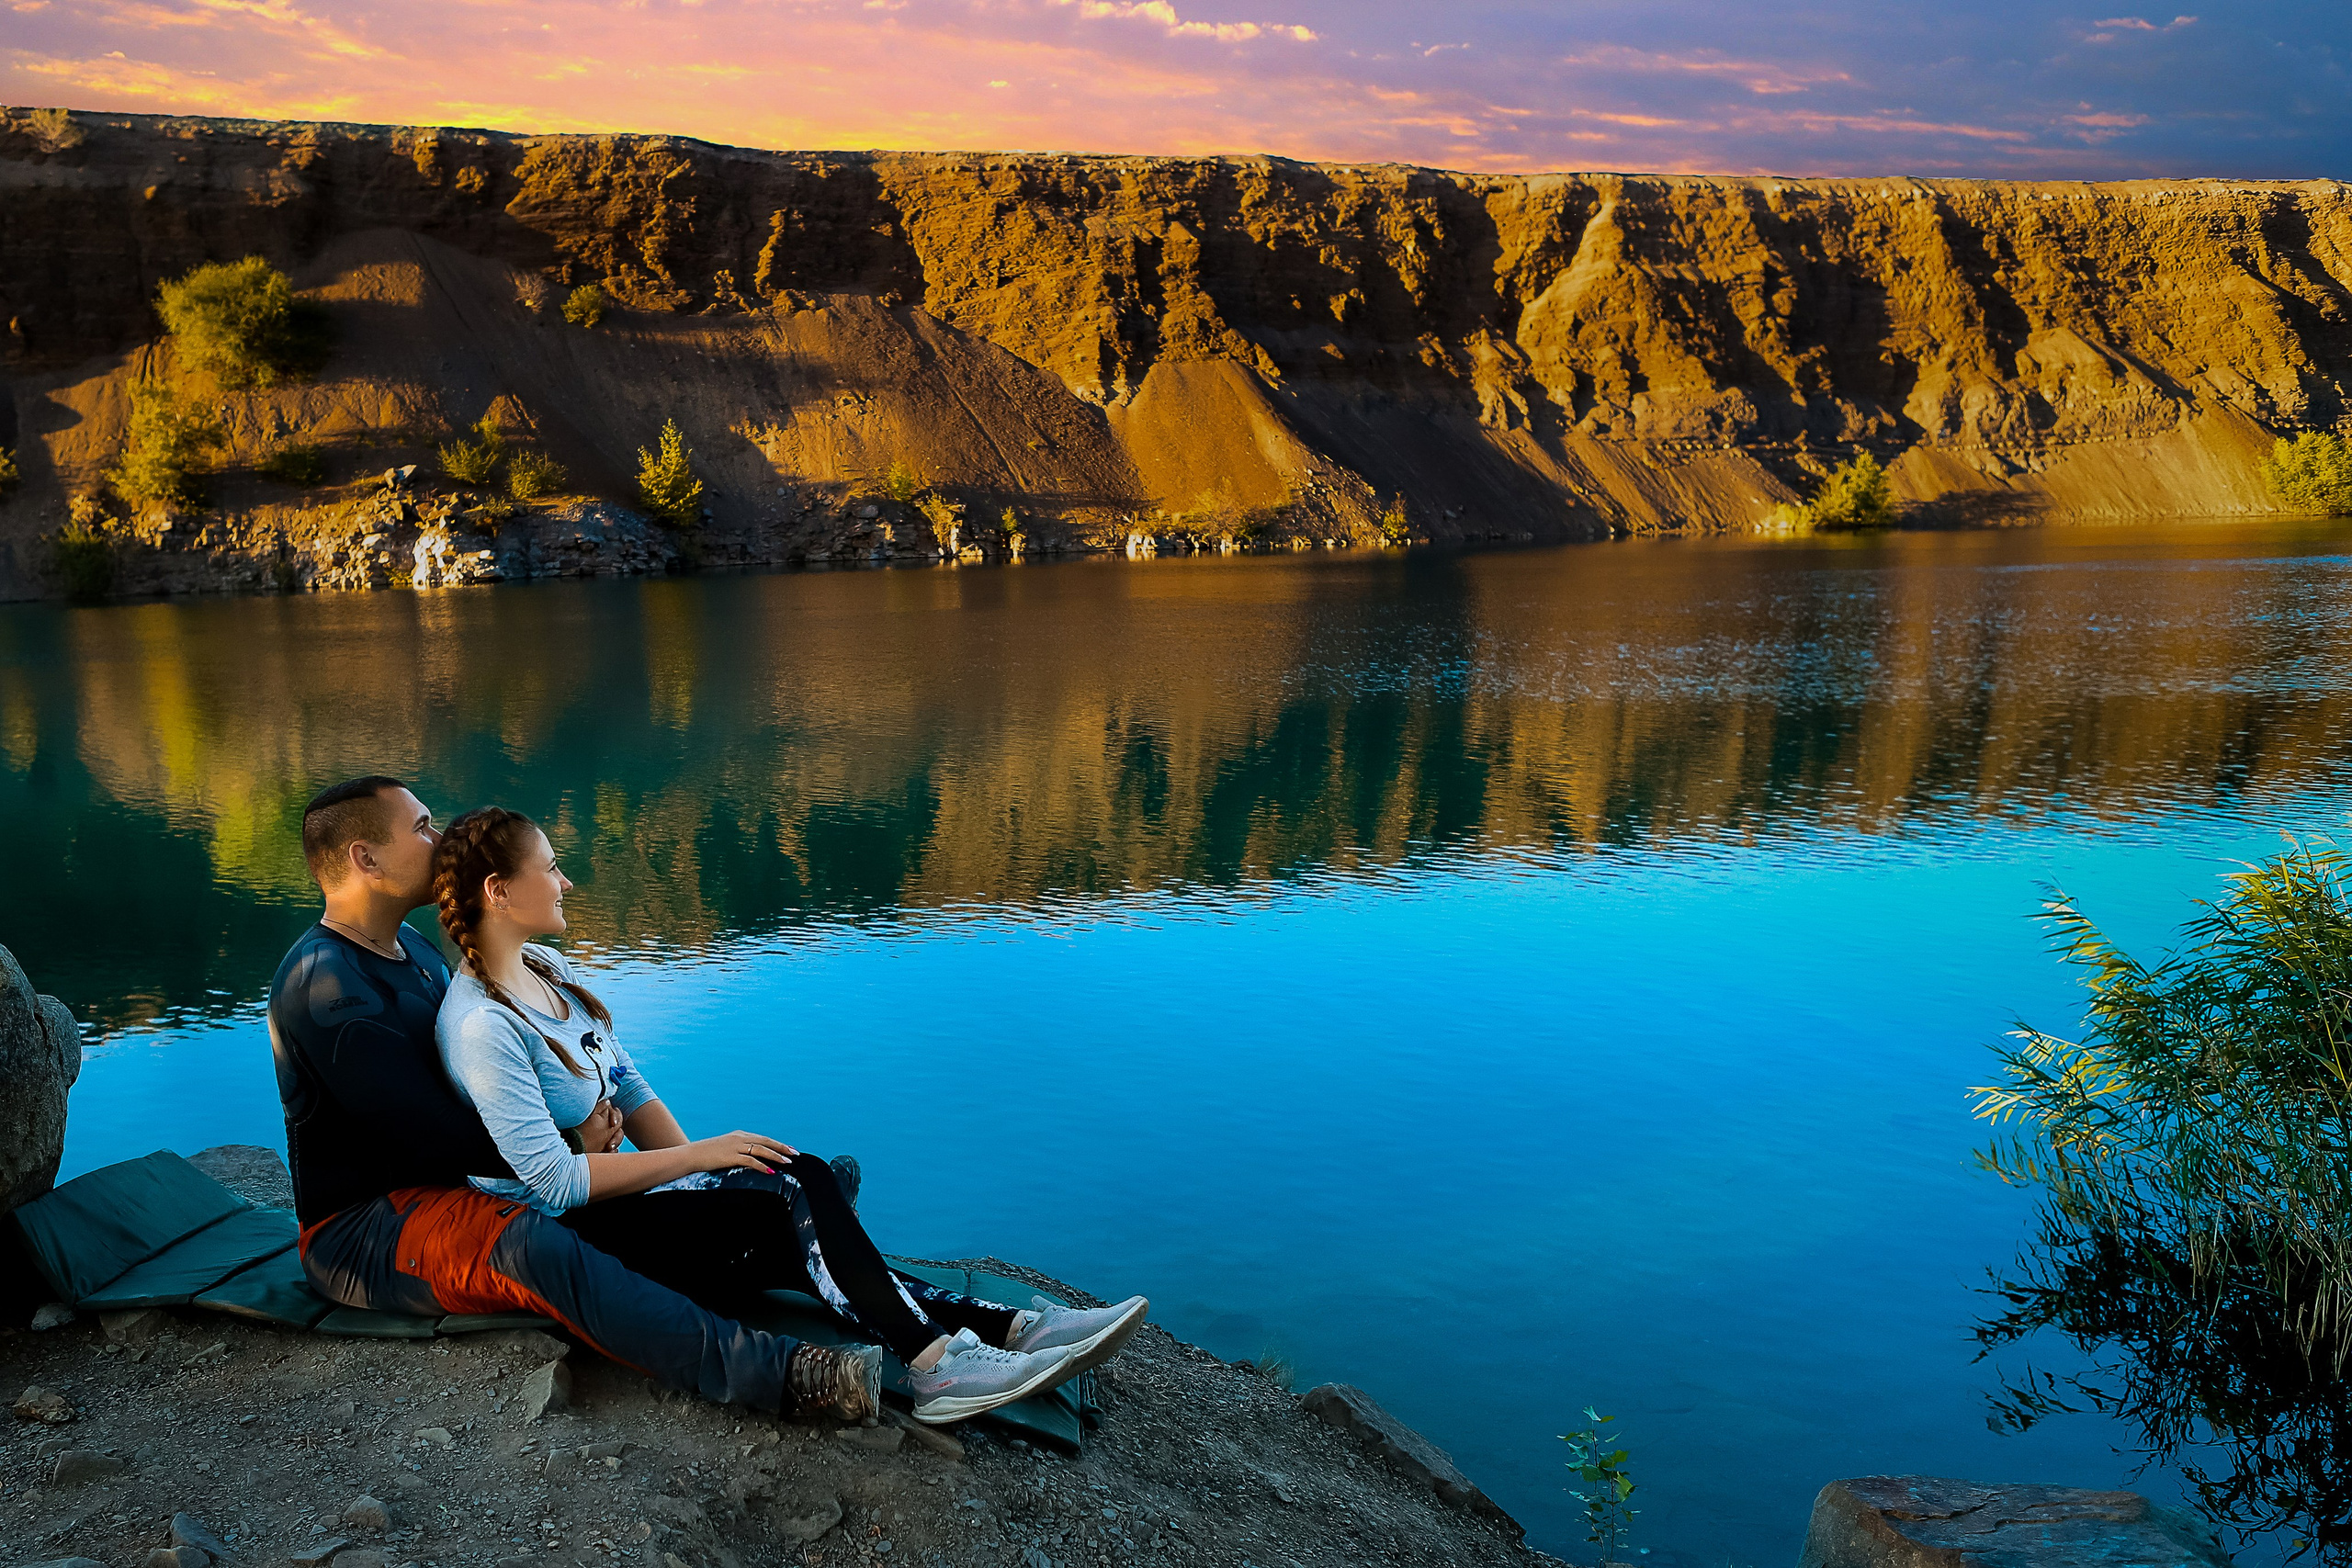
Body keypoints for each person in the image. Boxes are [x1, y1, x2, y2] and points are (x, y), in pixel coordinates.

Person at [427, 805, 1149, 1425]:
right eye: (551, 867)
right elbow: (551, 1184)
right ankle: (937, 1369)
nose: (566, 881)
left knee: (787, 1199)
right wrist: (699, 1159)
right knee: (794, 1185)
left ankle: (1014, 1329)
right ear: (499, 889)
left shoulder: (550, 970)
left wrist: (705, 1175)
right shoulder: (482, 1027)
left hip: (629, 1198)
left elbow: (632, 1085)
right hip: (578, 1240)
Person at [271, 777, 869, 1421]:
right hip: (370, 1231)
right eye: (420, 826)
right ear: (365, 858)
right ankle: (783, 1375)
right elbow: (426, 1137)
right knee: (540, 1245)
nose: (441, 839)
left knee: (607, 1223)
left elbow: (481, 1094)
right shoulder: (326, 985)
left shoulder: (412, 950)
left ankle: (763, 1223)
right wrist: (571, 1142)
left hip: (469, 1189)